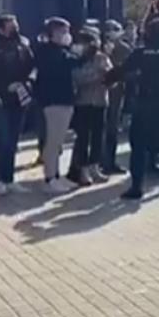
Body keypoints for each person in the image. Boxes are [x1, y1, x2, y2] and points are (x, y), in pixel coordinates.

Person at [112, 19, 159, 199]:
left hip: (145, 102)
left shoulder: (140, 52)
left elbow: (122, 70)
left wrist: (108, 78)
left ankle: (137, 185)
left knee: (138, 145)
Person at [33, 17, 81, 194]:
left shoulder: (61, 51)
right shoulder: (47, 52)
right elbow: (68, 63)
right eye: (62, 32)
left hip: (65, 100)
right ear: (52, 33)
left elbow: (75, 60)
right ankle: (49, 178)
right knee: (53, 141)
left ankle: (57, 175)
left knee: (59, 141)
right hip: (54, 102)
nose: (66, 35)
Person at [0, 15, 34, 194]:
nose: (16, 27)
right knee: (2, 139)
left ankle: (9, 179)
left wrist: (27, 83)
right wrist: (2, 88)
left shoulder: (22, 43)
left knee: (13, 141)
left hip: (19, 98)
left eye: (16, 24)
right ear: (1, 27)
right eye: (11, 25)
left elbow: (32, 66)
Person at [68, 30, 112, 186]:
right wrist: (97, 74)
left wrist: (104, 76)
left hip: (100, 101)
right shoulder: (77, 59)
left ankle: (95, 167)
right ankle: (83, 170)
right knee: (83, 138)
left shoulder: (102, 57)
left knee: (98, 137)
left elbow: (109, 76)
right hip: (83, 102)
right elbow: (78, 77)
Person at [100, 20, 131, 175]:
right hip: (100, 93)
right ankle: (100, 162)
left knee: (112, 128)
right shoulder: (99, 47)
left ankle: (109, 162)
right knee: (103, 129)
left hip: (116, 92)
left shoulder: (123, 48)